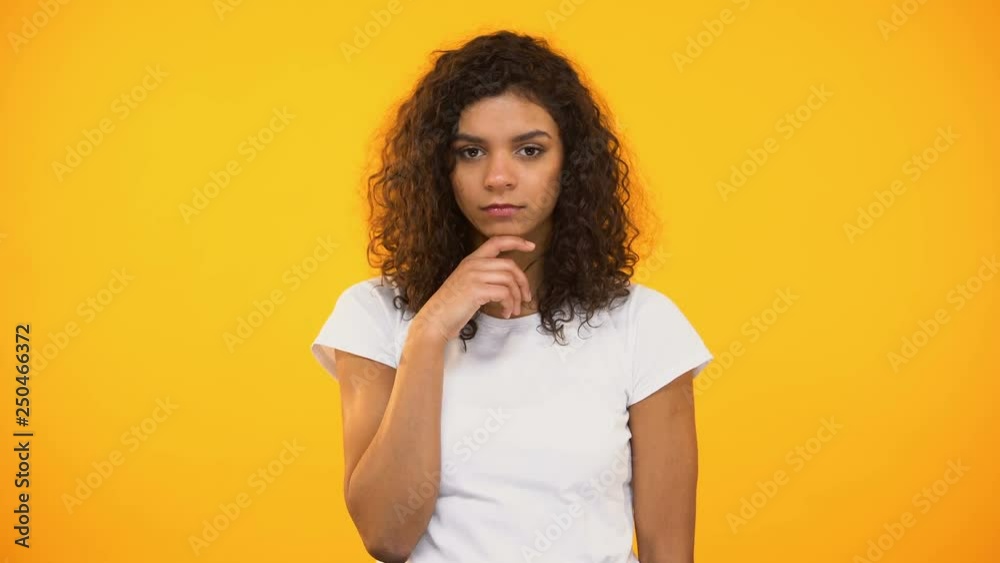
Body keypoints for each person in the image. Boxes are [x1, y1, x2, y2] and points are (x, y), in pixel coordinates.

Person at [310, 30, 713, 563]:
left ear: (570, 165)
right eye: (471, 151)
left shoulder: (645, 325)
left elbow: (669, 551)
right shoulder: (372, 316)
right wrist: (429, 334)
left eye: (529, 150)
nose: (499, 177)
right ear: (440, 169)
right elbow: (385, 535)